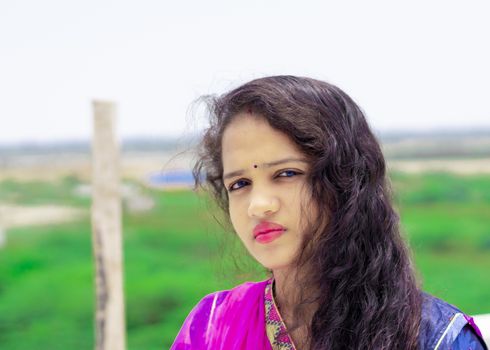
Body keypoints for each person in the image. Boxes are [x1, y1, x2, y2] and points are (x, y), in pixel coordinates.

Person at [170, 76, 487, 349]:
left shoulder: (436, 338)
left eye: (287, 174)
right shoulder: (212, 326)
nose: (258, 204)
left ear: (346, 182)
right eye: (240, 184)